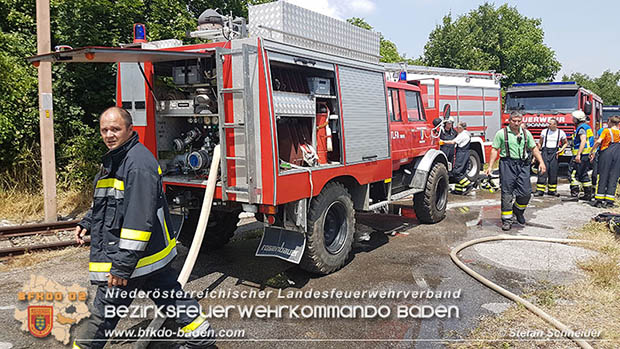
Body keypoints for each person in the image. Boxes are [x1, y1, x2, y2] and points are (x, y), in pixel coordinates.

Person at [73, 107, 215, 349]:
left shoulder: (137, 164)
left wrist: (121, 267)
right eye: (104, 130)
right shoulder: (119, 158)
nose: (109, 135)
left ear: (130, 130)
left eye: (115, 129)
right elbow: (111, 202)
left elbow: (138, 222)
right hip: (150, 257)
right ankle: (202, 338)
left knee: (102, 315)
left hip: (133, 261)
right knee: (171, 297)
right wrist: (87, 221)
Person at [485, 112, 546, 231]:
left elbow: (534, 148)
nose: (516, 123)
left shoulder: (526, 133)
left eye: (519, 121)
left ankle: (518, 211)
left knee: (526, 193)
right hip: (507, 164)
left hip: (522, 165)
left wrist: (541, 162)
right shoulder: (501, 134)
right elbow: (494, 149)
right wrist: (490, 166)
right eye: (514, 121)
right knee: (507, 192)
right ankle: (507, 220)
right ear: (509, 120)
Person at [589, 115, 620, 207]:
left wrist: (592, 150)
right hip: (618, 155)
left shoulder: (606, 131)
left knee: (603, 176)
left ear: (611, 122)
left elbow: (599, 141)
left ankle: (599, 200)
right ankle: (609, 201)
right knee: (614, 177)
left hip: (606, 154)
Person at [534, 118, 567, 196]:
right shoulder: (544, 132)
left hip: (554, 153)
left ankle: (552, 190)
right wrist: (536, 154)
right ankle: (540, 190)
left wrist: (561, 150)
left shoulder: (561, 132)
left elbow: (565, 143)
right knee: (542, 171)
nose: (548, 125)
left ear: (555, 125)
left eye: (550, 123)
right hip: (545, 152)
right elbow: (540, 143)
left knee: (553, 171)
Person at [440, 122, 473, 194]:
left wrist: (443, 142)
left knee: (456, 172)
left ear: (461, 128)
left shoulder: (462, 135)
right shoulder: (466, 133)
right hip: (465, 153)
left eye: (457, 127)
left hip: (462, 154)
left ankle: (468, 185)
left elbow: (453, 142)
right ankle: (458, 190)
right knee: (462, 172)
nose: (456, 129)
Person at [569, 110, 595, 200]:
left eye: (573, 118)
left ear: (577, 119)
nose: (572, 119)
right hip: (586, 154)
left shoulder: (581, 128)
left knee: (573, 173)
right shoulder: (587, 127)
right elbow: (590, 142)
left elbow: (583, 141)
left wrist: (578, 154)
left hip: (581, 155)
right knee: (583, 174)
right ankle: (588, 194)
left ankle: (574, 194)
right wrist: (592, 152)